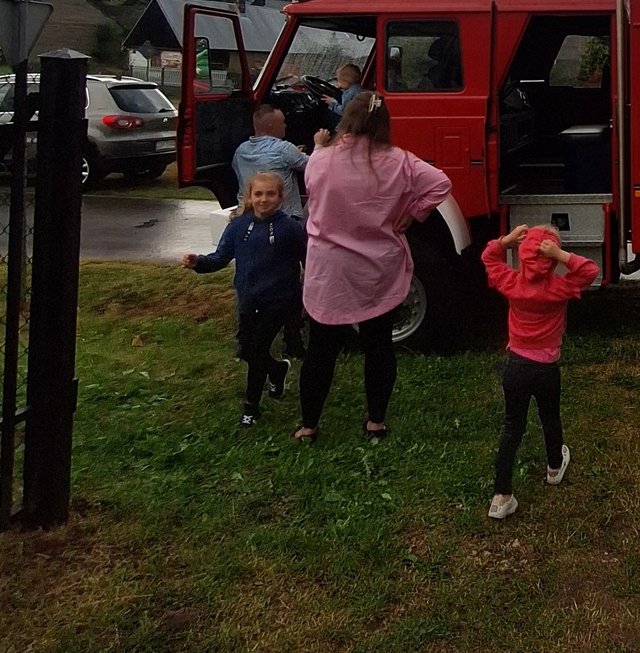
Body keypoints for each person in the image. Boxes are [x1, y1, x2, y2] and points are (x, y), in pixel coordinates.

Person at [295, 93, 450, 442]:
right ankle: (375, 422)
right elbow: (440, 183)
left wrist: (319, 147)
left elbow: (313, 190)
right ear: (384, 123)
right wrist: (414, 212)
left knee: (321, 349)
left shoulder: (321, 160)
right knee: (378, 344)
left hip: (330, 270)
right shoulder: (400, 161)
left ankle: (309, 425)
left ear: (346, 118)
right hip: (377, 268)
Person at [482, 224, 598, 522]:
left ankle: (501, 497)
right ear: (551, 260)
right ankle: (554, 468)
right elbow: (589, 271)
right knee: (550, 418)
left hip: (516, 368)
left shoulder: (511, 283)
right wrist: (560, 255)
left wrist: (507, 240)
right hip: (547, 370)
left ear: (522, 256)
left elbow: (489, 258)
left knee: (512, 427)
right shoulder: (558, 288)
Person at [181, 173, 307, 427]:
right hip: (249, 300)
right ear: (249, 196)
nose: (264, 199)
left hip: (280, 301)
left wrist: (309, 296)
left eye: (270, 194)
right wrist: (198, 262)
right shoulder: (238, 226)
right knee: (247, 350)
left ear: (281, 197)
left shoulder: (290, 229)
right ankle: (277, 370)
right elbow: (220, 257)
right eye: (258, 194)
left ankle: (251, 408)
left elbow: (310, 262)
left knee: (257, 349)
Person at [231, 103, 310, 217]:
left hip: (248, 215)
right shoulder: (284, 149)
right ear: (271, 126)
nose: (285, 125)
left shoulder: (240, 151)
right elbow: (314, 165)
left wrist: (295, 153)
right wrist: (319, 146)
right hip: (281, 218)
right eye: (282, 122)